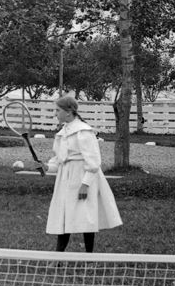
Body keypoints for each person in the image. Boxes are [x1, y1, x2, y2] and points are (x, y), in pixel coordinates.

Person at [45, 94, 123, 252]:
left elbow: (93, 161)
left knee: (86, 217)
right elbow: (59, 159)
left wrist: (85, 185)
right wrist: (46, 167)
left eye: (57, 110)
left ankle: (89, 257)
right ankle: (58, 257)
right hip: (65, 179)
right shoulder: (62, 132)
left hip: (82, 177)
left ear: (68, 112)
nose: (55, 114)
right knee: (64, 216)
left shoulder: (84, 132)